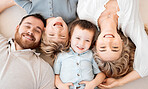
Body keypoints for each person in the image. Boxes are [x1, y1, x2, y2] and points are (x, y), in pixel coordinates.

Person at [77, 0, 148, 88]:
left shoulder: (85, 12)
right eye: (115, 47)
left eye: (103, 47)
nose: (108, 41)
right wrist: (120, 82)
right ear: (122, 43)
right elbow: (145, 66)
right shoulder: (130, 24)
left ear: (95, 44)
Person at [11, 0, 78, 67]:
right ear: (69, 34)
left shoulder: (33, 13)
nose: (58, 30)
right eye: (62, 36)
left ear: (44, 31)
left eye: (51, 34)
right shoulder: (71, 14)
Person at [0, 14, 55, 89]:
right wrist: (15, 2)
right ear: (17, 28)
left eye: (37, 30)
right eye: (27, 26)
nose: (31, 31)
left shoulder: (44, 70)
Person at [53, 20, 105, 89]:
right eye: (78, 38)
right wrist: (61, 86)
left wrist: (92, 84)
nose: (81, 44)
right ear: (70, 38)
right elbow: (56, 75)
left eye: (87, 40)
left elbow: (101, 74)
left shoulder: (91, 55)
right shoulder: (62, 55)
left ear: (91, 42)